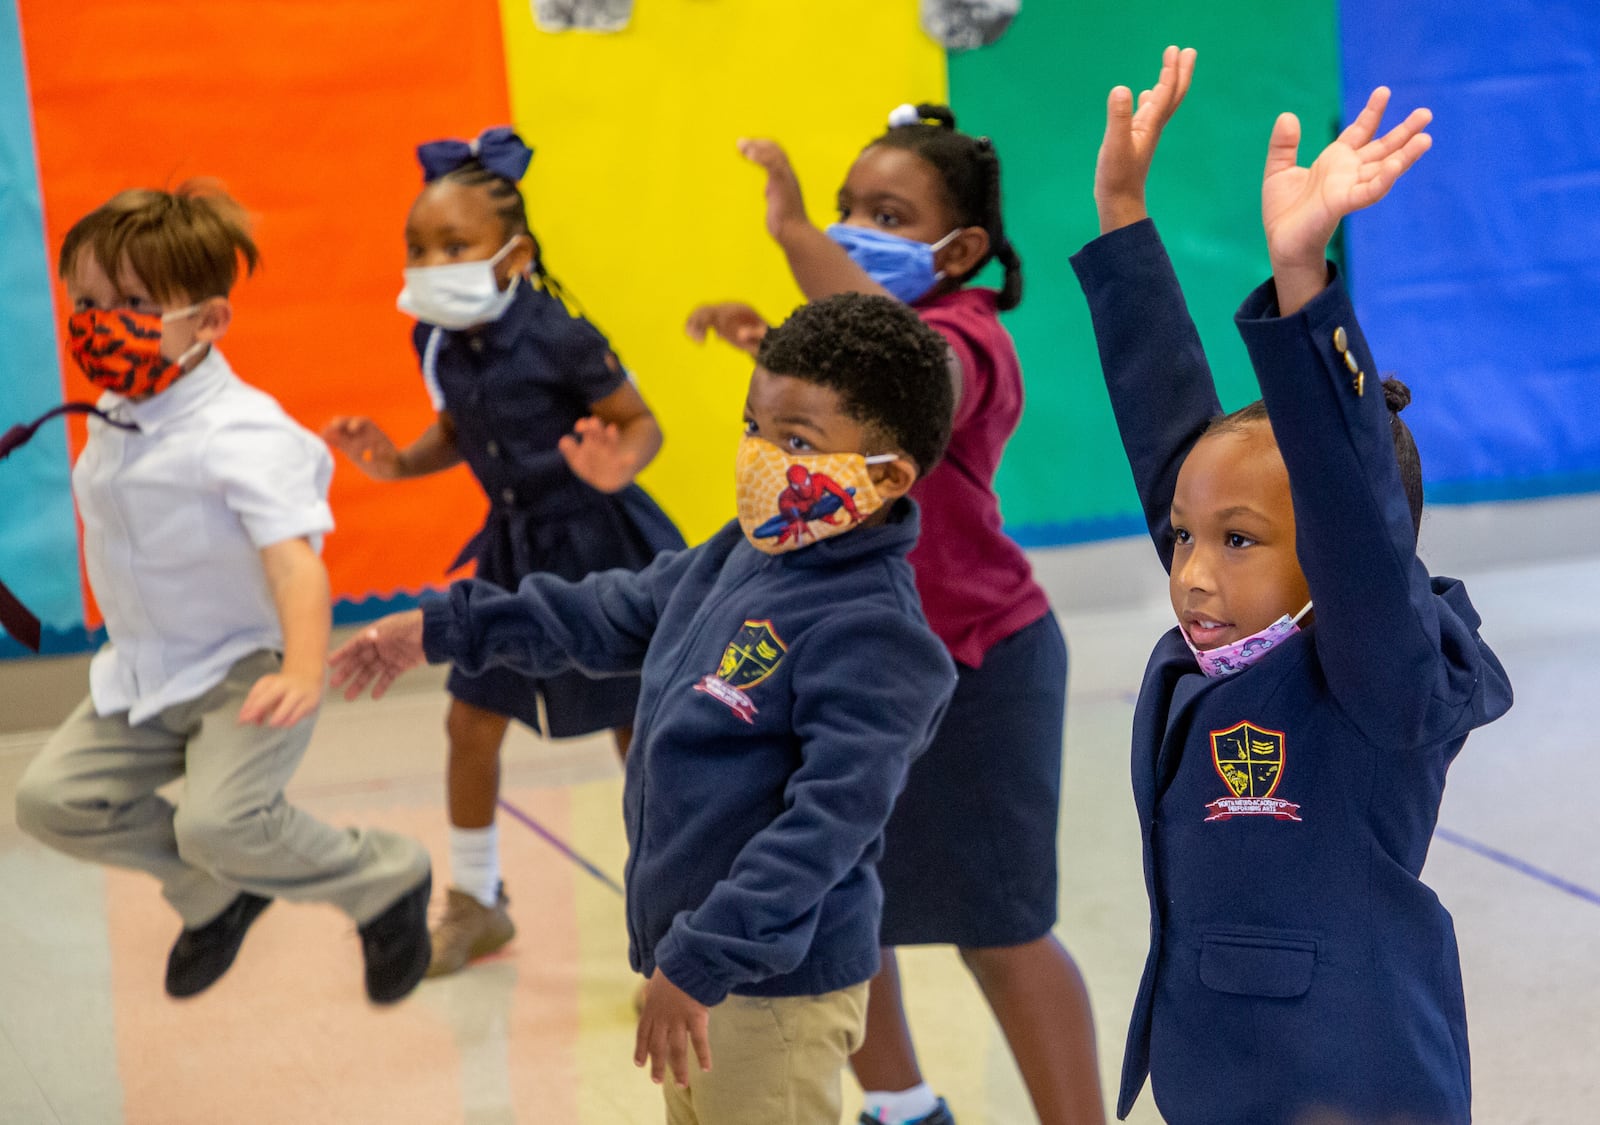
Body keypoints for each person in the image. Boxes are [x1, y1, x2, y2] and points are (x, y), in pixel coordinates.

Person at [329, 292, 959, 1125]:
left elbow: (821, 834)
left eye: (796, 441)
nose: (761, 457)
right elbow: (602, 611)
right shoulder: (744, 552)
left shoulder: (875, 630)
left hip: (768, 988)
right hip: (697, 973)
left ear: (885, 477)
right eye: (754, 426)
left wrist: (700, 960)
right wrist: (448, 626)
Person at [1070, 48, 1513, 1123]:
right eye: (1184, 539)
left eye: (1234, 542)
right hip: (1219, 1070)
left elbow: (1348, 510)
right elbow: (1168, 429)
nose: (1189, 573)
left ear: (1340, 558)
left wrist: (1304, 280)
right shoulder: (1233, 630)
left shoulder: (1377, 672)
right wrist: (1123, 216)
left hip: (1349, 1080)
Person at [687, 108, 1102, 1125]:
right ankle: (905, 1107)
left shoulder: (968, 341)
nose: (850, 228)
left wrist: (795, 234)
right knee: (841, 906)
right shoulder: (857, 354)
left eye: (886, 214)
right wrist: (772, 355)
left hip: (979, 667)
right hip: (851, 667)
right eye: (844, 211)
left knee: (1001, 926)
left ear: (958, 249)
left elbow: (902, 368)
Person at [14, 184, 432, 1004]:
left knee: (219, 822)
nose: (101, 322)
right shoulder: (114, 410)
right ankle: (217, 893)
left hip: (246, 669)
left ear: (207, 322)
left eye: (133, 303)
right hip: (144, 673)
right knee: (49, 801)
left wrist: (304, 673)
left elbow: (295, 565)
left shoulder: (245, 433)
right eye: (87, 303)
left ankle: (384, 876)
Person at [322, 127, 684, 977]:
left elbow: (641, 420)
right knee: (469, 721)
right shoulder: (437, 339)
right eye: (418, 246)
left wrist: (617, 462)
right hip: (511, 553)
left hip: (602, 548)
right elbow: (459, 426)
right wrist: (400, 459)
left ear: (512, 253)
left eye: (455, 244)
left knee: (640, 736)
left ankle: (675, 926)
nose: (430, 260)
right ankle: (478, 902)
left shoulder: (559, 331)